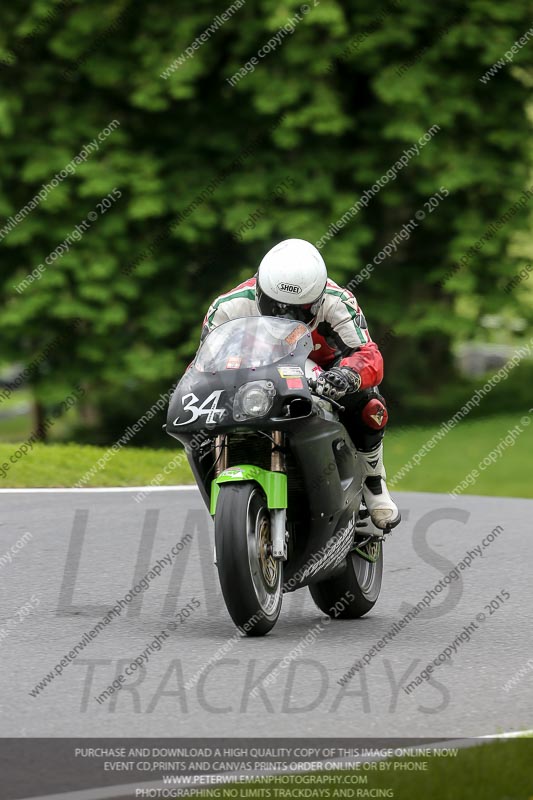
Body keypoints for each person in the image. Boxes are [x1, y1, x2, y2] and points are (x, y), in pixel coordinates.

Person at [201, 238, 400, 531]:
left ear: (317, 300)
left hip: (326, 373)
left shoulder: (338, 302)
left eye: (299, 311)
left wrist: (347, 375)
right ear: (259, 289)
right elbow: (205, 362)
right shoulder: (229, 307)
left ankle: (373, 480)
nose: (285, 318)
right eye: (274, 306)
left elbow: (367, 354)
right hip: (253, 376)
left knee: (371, 405)